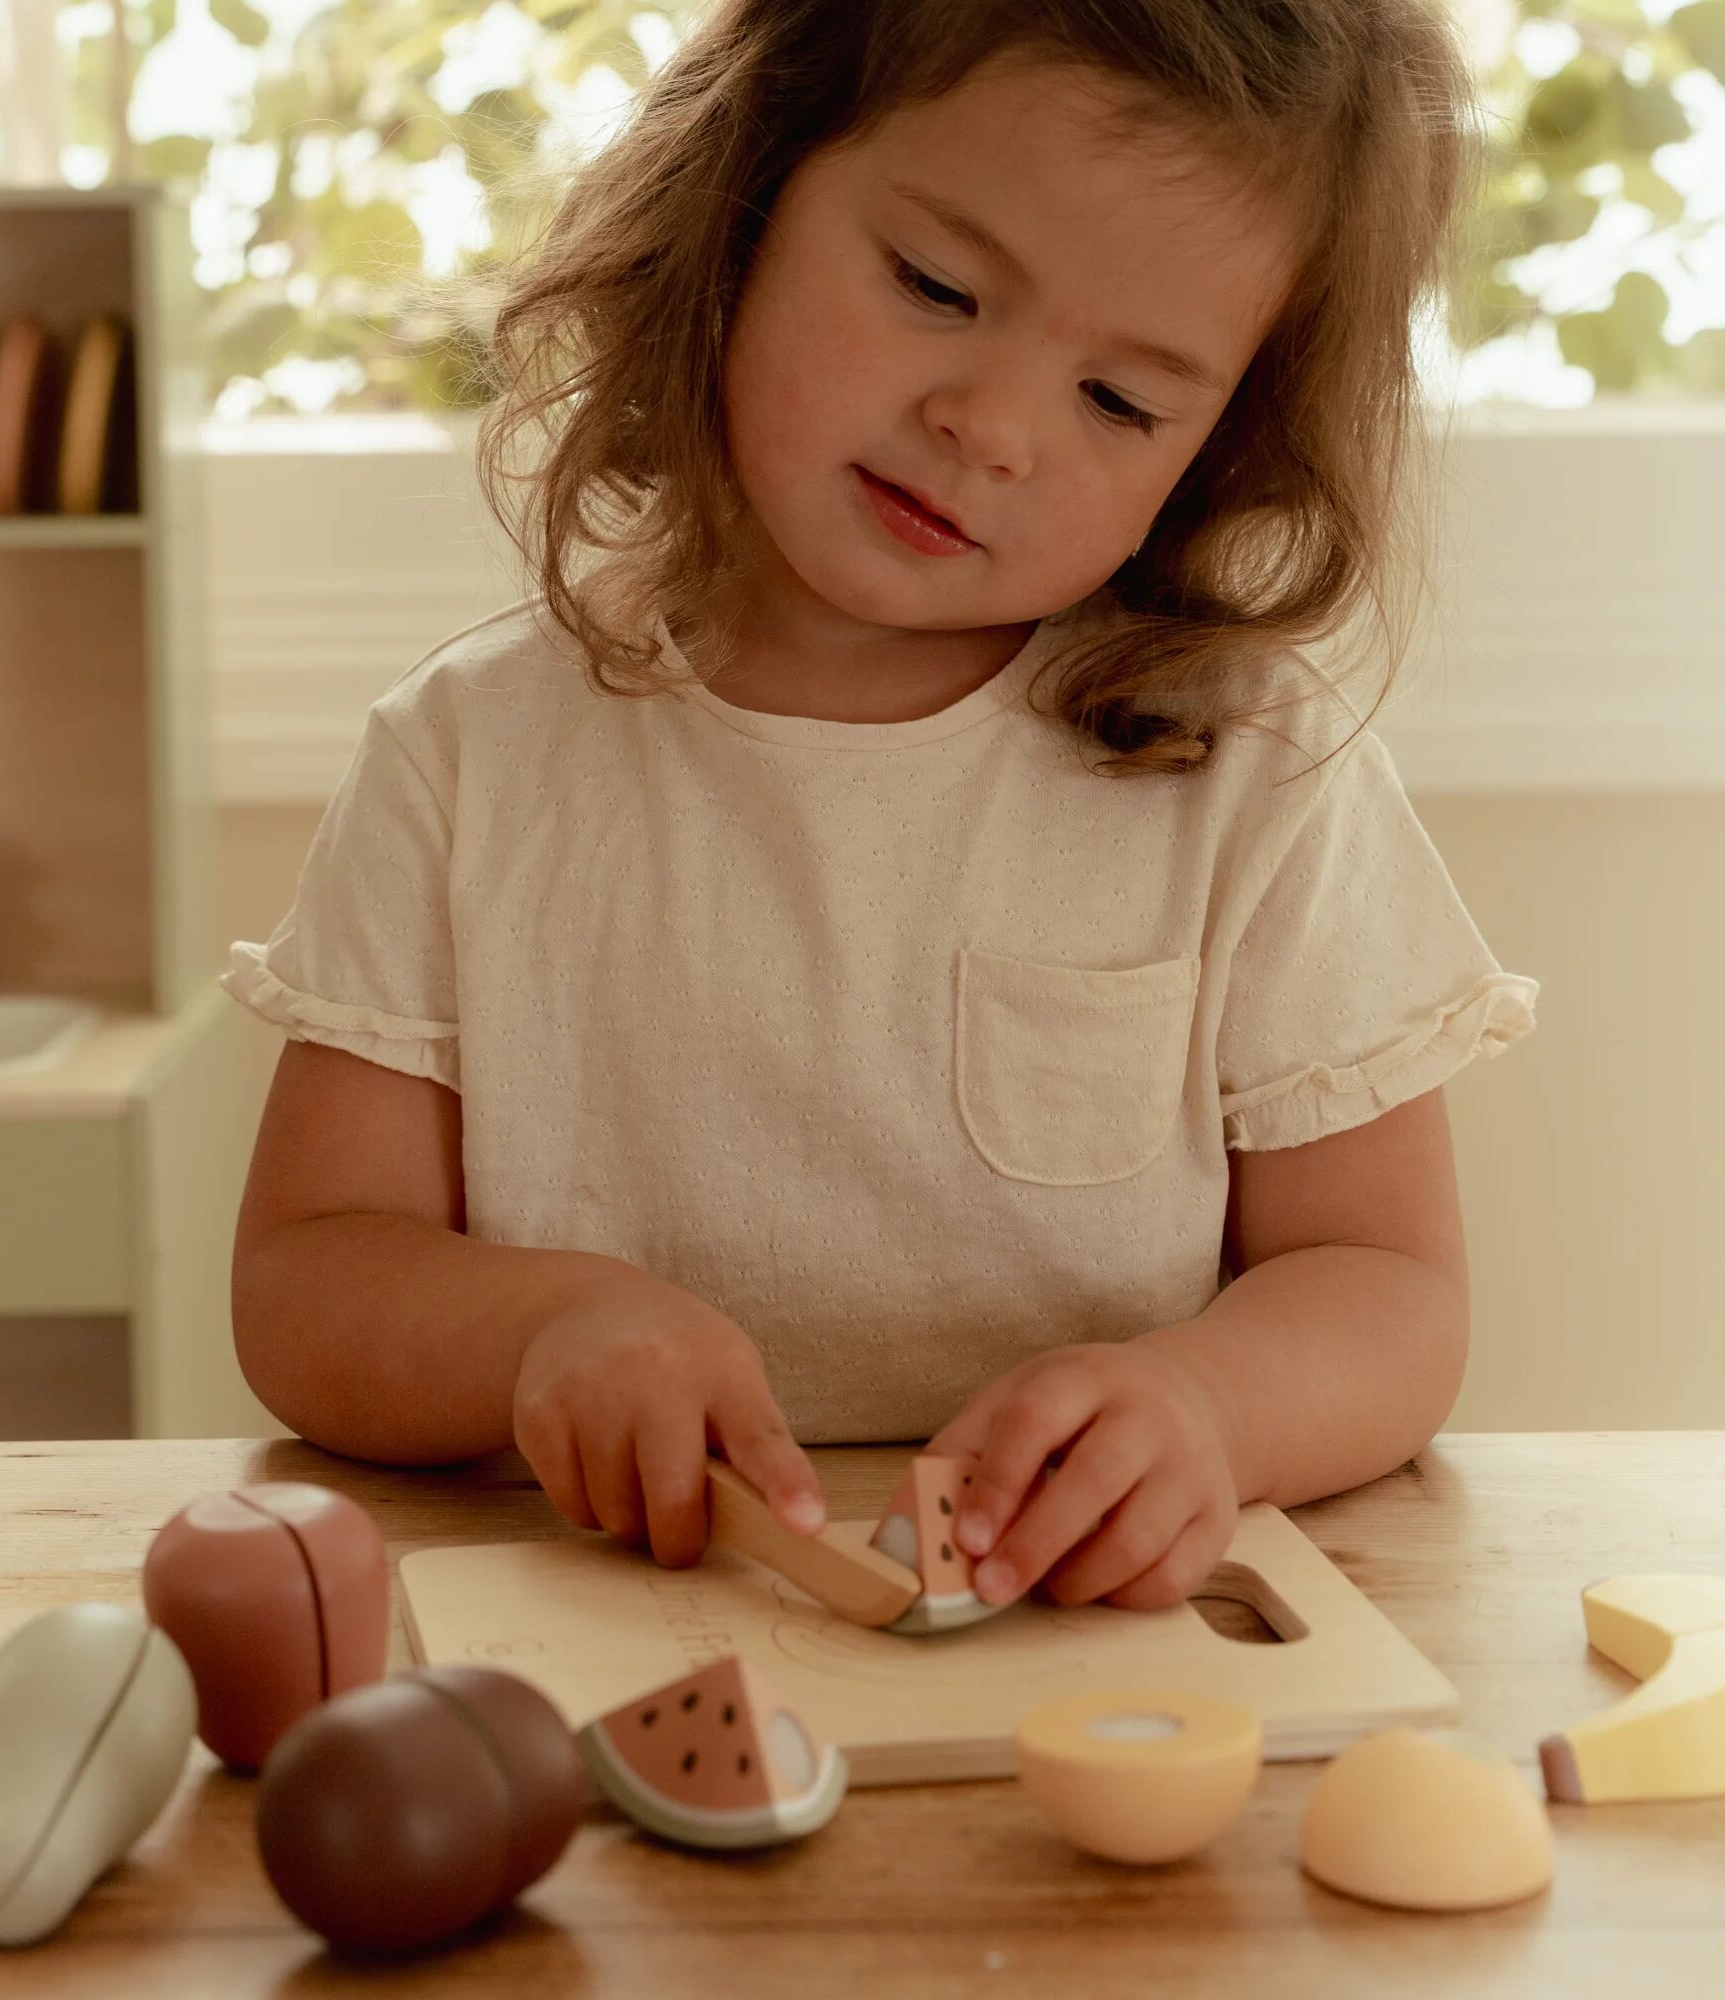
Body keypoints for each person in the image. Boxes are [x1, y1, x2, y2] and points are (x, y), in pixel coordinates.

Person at [222, 0, 1540, 1614]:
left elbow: (1390, 1289)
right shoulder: (465, 763)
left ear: (1219, 454)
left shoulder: (1257, 779)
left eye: (1121, 404)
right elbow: (308, 1279)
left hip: (1095, 1643)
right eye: (935, 288)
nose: (989, 426)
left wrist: (1211, 1407)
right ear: (746, 197)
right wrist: (541, 1331)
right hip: (586, 1619)